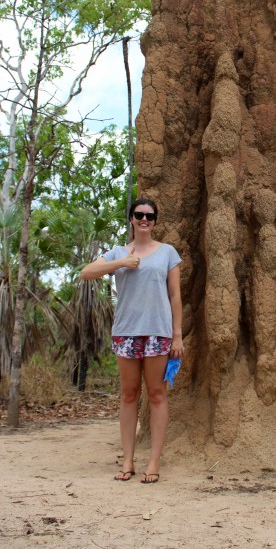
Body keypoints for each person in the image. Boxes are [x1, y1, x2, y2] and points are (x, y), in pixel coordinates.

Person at [80, 197, 183, 484]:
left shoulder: (167, 253)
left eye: (150, 216)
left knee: (157, 394)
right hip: (126, 332)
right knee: (128, 395)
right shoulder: (117, 253)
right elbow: (86, 272)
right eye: (139, 215)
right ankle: (127, 460)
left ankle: (153, 462)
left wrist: (177, 335)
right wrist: (122, 262)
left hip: (158, 333)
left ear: (155, 221)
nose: (144, 220)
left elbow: (175, 296)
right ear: (131, 219)